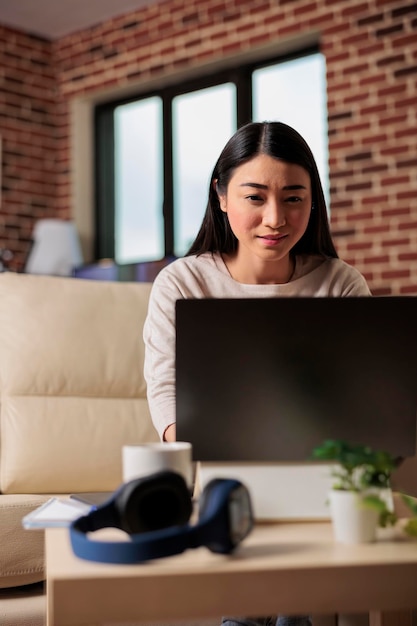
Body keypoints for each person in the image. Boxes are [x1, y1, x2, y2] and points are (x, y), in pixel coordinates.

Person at [143, 121, 371, 626]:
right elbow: (166, 400)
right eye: (255, 196)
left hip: (323, 483)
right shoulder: (183, 282)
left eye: (294, 198)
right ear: (221, 196)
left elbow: (366, 406)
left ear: (314, 202)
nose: (275, 218)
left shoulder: (340, 284)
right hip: (225, 482)